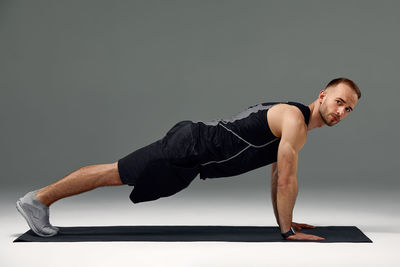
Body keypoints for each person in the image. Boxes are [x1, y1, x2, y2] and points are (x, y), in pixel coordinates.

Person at [16, 77, 361, 241]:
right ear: (322, 95)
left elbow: (276, 178)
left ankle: (39, 200)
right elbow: (286, 179)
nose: (342, 111)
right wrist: (287, 233)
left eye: (349, 109)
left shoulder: (293, 124)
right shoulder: (295, 122)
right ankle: (38, 200)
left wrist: (285, 221)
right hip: (191, 146)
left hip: (193, 157)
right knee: (115, 172)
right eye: (339, 101)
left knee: (119, 175)